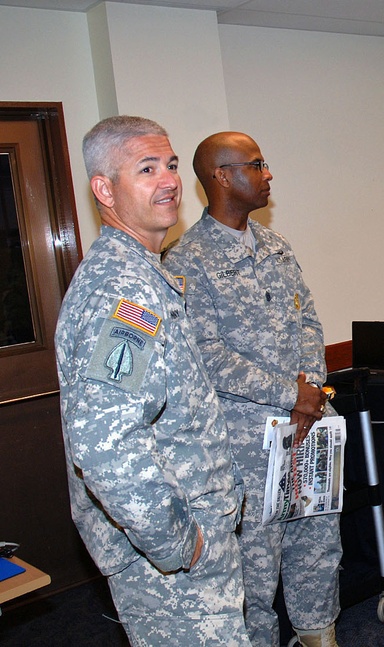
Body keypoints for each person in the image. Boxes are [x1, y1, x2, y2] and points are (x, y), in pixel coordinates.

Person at [55, 116, 251, 646]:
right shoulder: (124, 294)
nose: (168, 180)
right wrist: (176, 542)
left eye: (169, 165)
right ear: (104, 189)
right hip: (169, 559)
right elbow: (104, 446)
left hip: (195, 530)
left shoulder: (146, 273)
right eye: (146, 169)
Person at [162, 132, 341, 647]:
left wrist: (312, 391)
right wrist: (293, 394)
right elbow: (208, 356)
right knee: (254, 569)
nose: (268, 174)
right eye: (257, 164)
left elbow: (308, 319)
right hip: (247, 445)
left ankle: (318, 636)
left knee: (316, 546)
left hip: (310, 428)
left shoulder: (277, 247)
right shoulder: (186, 261)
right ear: (221, 176)